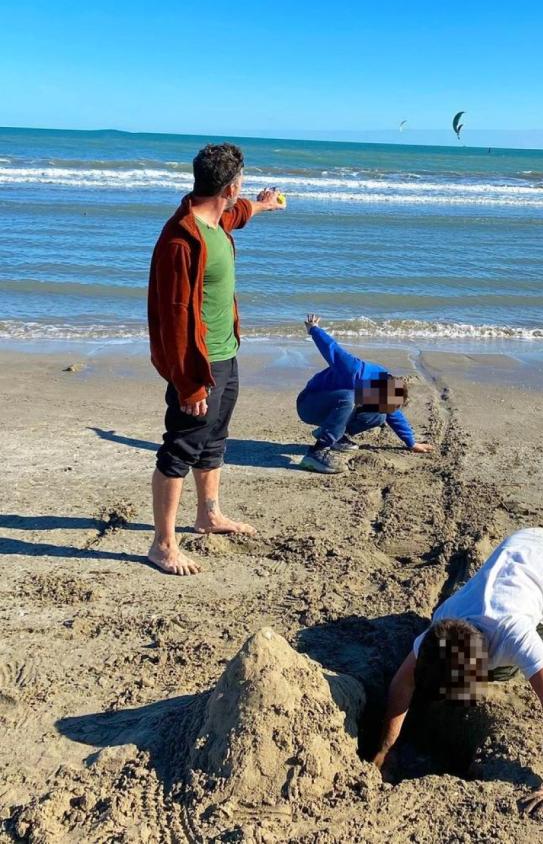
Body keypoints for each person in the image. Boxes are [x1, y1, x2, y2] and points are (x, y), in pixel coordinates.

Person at [372, 527, 543, 815]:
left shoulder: (514, 634)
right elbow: (403, 682)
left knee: (507, 670)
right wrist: (385, 750)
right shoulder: (441, 624)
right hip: (528, 542)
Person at [147, 142, 284, 575]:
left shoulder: (218, 216)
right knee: (180, 448)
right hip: (198, 364)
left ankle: (208, 514)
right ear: (230, 186)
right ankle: (162, 544)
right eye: (241, 184)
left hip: (226, 354)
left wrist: (263, 205)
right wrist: (188, 384)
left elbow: (237, 214)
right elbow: (173, 320)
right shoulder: (182, 240)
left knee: (214, 440)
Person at [296, 315, 434, 473]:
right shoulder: (354, 369)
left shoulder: (382, 384)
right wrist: (313, 329)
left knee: (379, 416)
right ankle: (317, 452)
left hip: (335, 407)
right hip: (309, 404)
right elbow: (331, 348)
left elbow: (392, 412)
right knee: (350, 397)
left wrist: (412, 443)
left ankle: (333, 435)